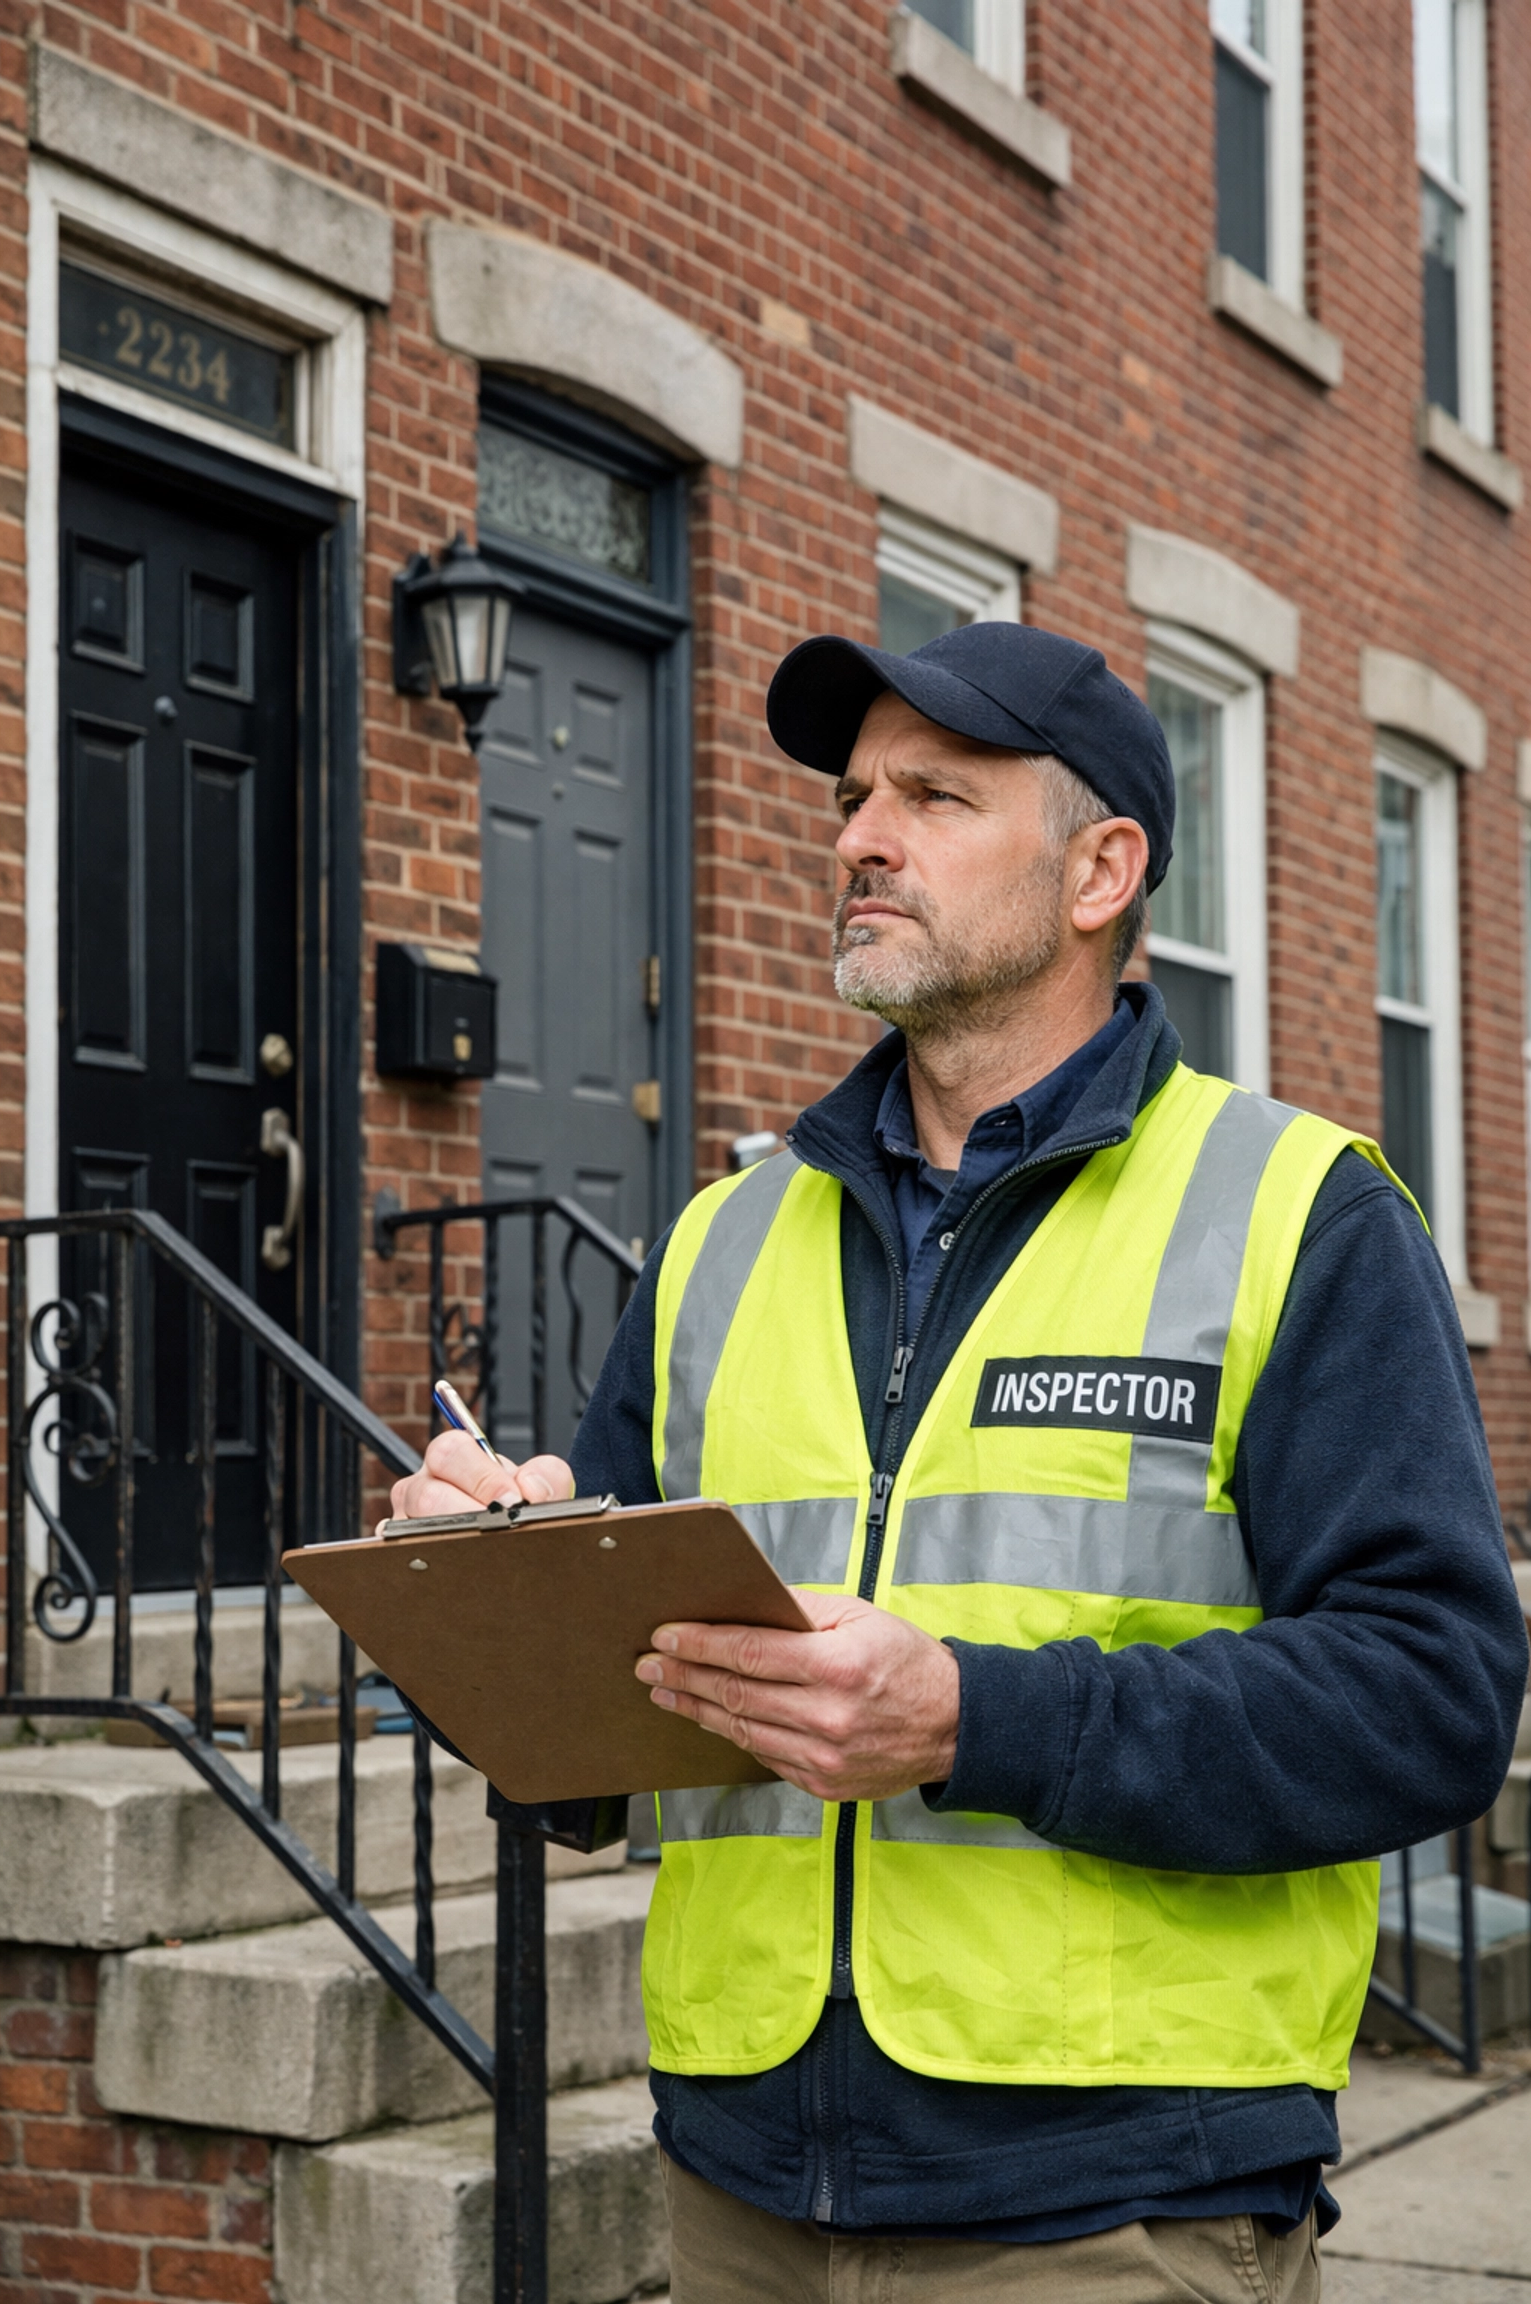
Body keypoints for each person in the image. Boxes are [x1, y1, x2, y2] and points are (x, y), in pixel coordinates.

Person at [391, 622, 1529, 2302]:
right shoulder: (720, 1241)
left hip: (1117, 2205)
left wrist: (973, 1722)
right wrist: (498, 1603)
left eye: (934, 795)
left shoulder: (1299, 1215)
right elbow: (592, 1763)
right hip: (738, 2193)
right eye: (855, 797)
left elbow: (1433, 1699)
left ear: (1100, 872)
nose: (858, 835)